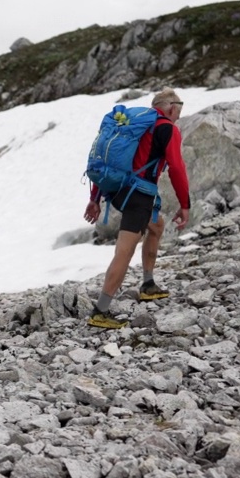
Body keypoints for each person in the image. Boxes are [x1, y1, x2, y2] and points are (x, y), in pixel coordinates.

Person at [84, 88, 191, 329]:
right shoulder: (168, 128)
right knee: (125, 251)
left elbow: (109, 161)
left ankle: (148, 284)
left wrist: (95, 197)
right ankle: (100, 311)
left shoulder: (137, 124)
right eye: (179, 111)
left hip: (120, 190)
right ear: (172, 107)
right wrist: (185, 205)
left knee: (156, 227)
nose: (179, 117)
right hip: (138, 196)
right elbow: (176, 168)